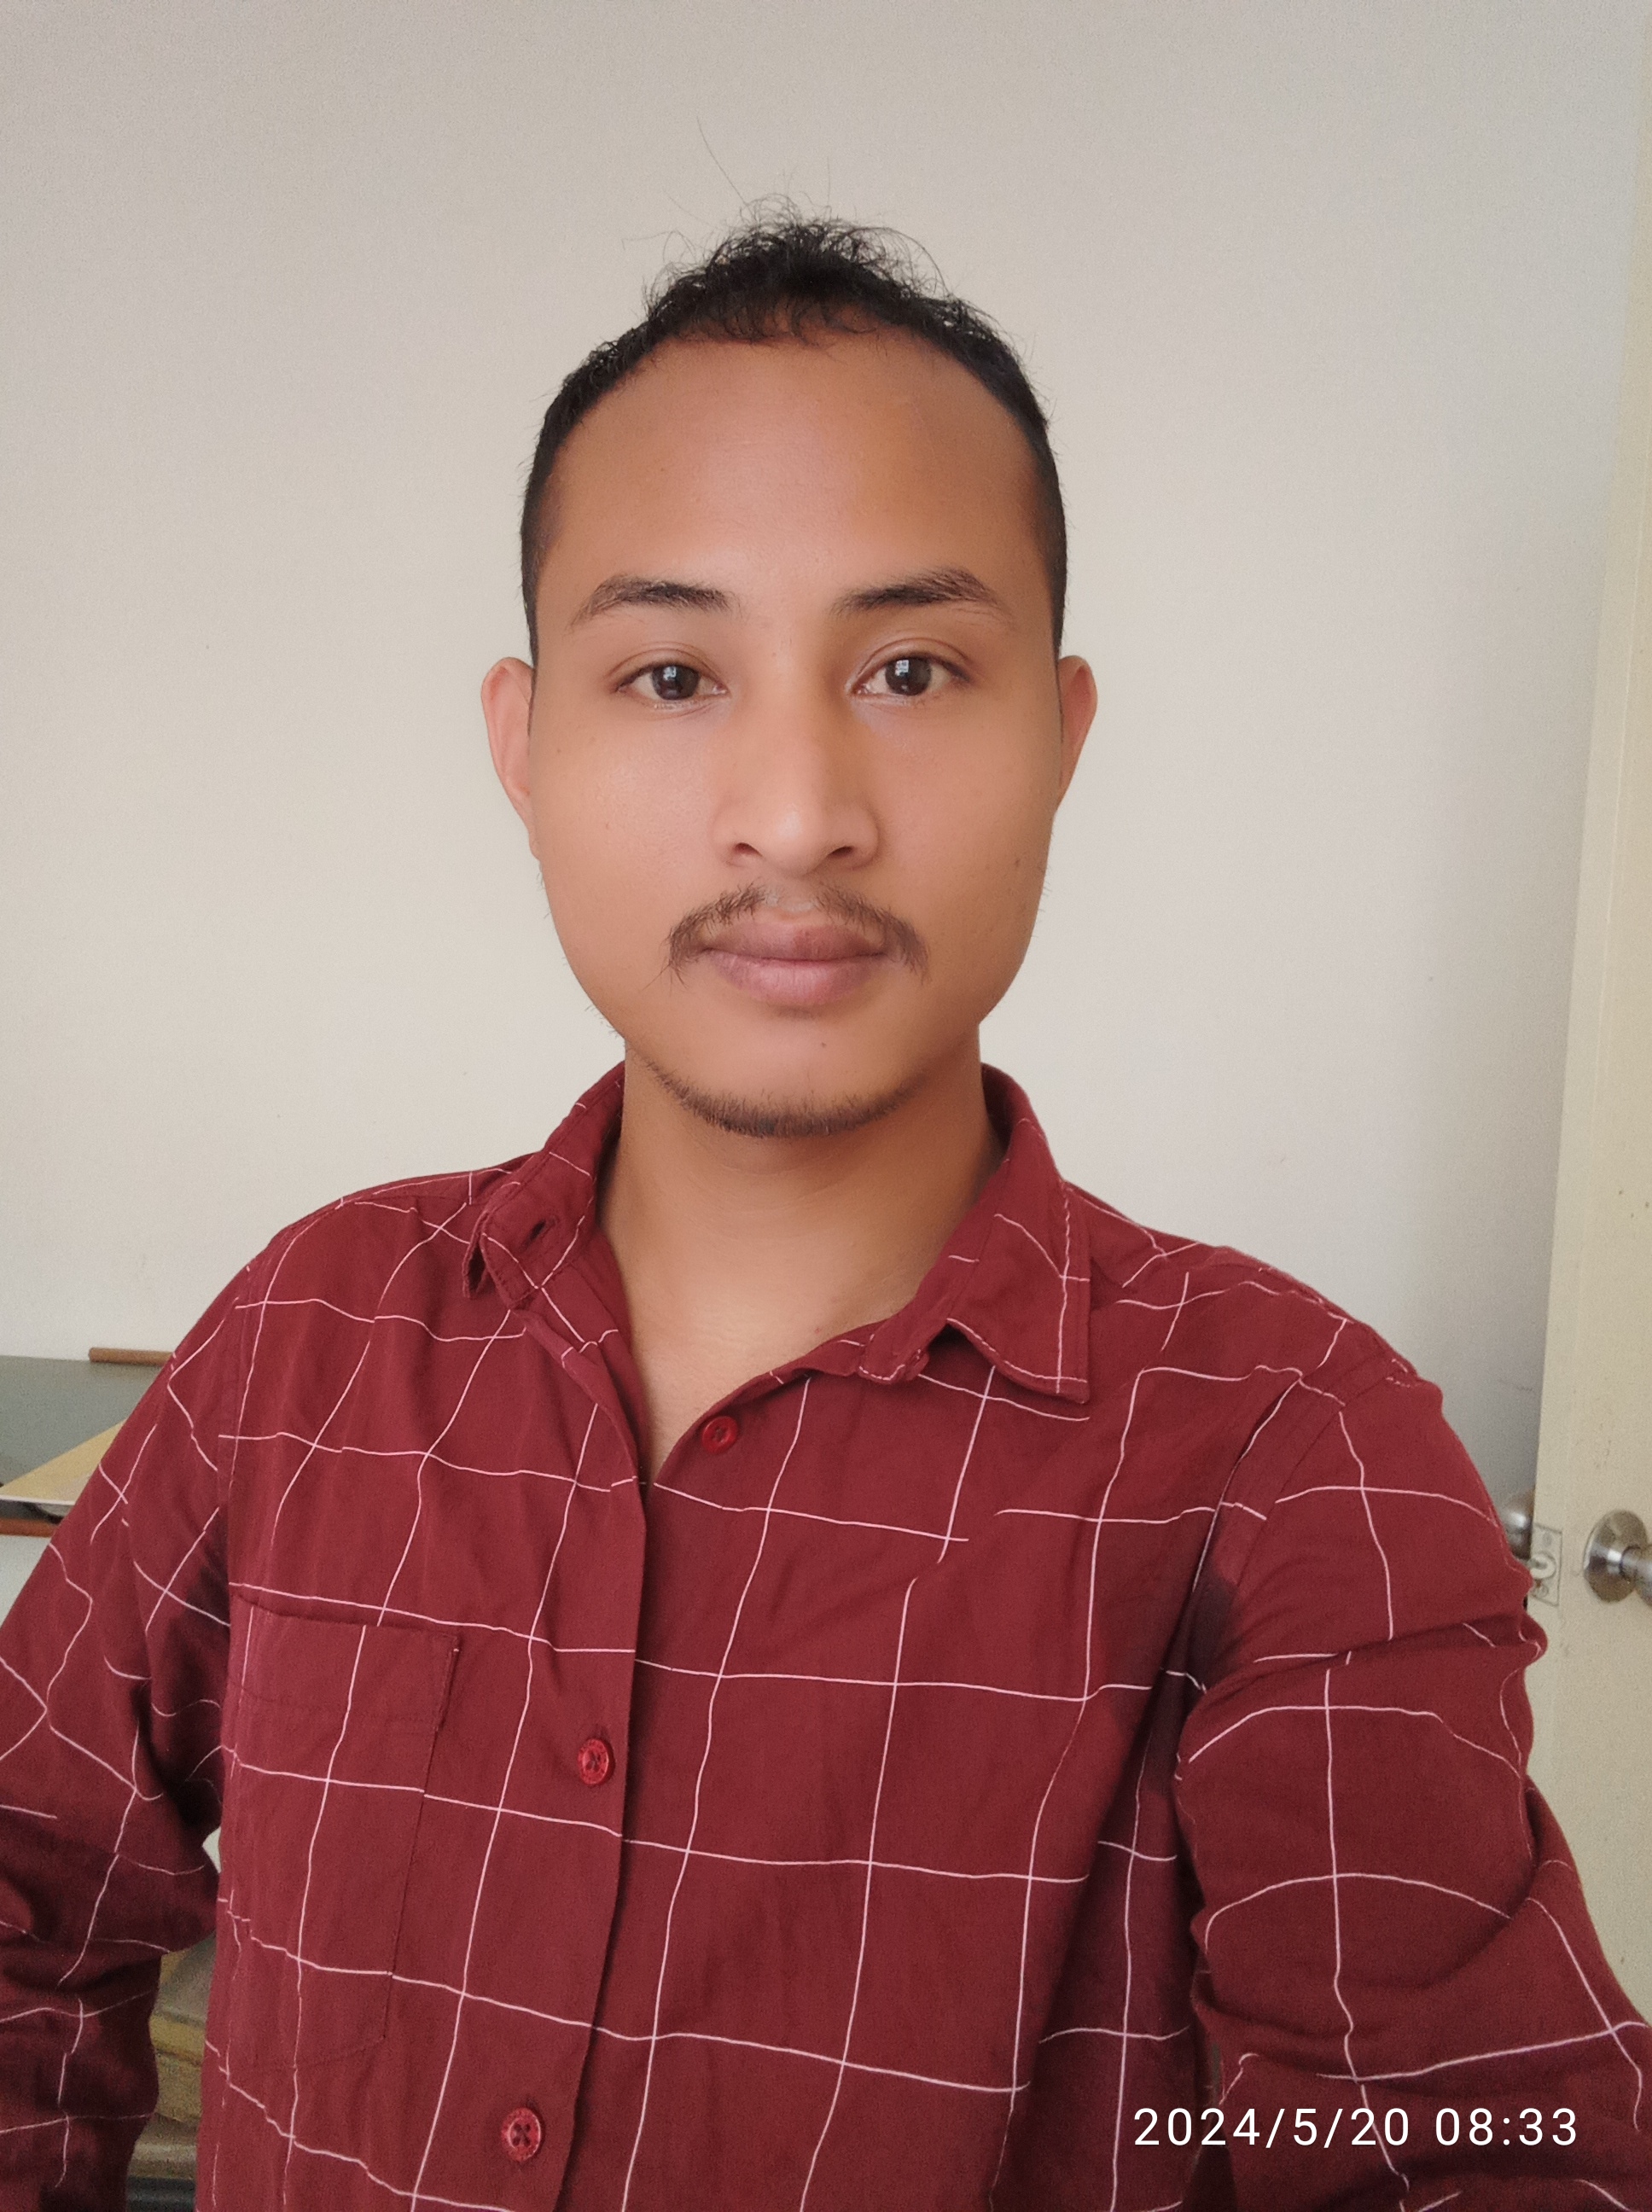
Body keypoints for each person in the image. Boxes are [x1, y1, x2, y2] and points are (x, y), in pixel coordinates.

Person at [1, 215, 1647, 2212]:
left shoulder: (1291, 1455)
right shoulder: (314, 1336)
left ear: (1060, 736)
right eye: (670, 672)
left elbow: (1471, 2146)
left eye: (909, 668)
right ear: (523, 745)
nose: (795, 812)